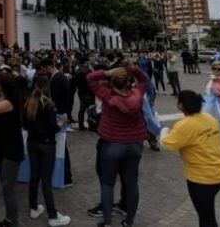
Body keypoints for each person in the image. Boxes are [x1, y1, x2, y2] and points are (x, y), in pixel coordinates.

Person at [86, 59, 148, 227]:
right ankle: (129, 221)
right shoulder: (137, 94)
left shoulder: (107, 94)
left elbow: (90, 78)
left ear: (112, 82)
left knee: (107, 184)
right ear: (129, 82)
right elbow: (144, 81)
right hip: (134, 144)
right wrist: (133, 69)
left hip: (111, 143)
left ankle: (107, 221)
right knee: (132, 184)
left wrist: (107, 72)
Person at [160, 90, 220, 227]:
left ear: (180, 105)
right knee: (208, 214)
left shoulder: (185, 125)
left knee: (206, 218)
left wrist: (164, 131)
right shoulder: (210, 118)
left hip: (202, 179)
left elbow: (168, 145)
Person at [23, 74, 71, 226]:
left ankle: (33, 207)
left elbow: (25, 124)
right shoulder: (48, 105)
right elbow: (51, 129)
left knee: (34, 177)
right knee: (46, 180)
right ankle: (52, 215)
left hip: (33, 143)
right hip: (46, 145)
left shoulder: (29, 102)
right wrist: (61, 122)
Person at [0, 70, 24, 227]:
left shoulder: (10, 101)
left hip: (10, 147)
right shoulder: (2, 97)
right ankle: (9, 219)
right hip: (2, 145)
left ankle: (13, 222)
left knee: (9, 187)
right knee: (5, 185)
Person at [46, 58, 73, 186]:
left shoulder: (56, 79)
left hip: (59, 115)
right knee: (61, 146)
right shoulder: (61, 77)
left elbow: (55, 98)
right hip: (63, 113)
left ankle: (65, 176)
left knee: (61, 146)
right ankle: (64, 175)